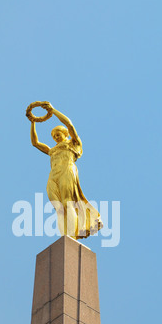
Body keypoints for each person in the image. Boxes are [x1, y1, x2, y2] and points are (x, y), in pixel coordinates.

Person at [27, 102, 103, 239]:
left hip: (67, 170)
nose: (55, 137)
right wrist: (33, 122)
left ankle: (72, 237)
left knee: (68, 203)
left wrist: (53, 110)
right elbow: (35, 143)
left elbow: (70, 124)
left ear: (65, 134)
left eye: (58, 134)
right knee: (58, 207)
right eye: (54, 136)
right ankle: (64, 237)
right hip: (53, 175)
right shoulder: (52, 150)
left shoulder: (73, 143)